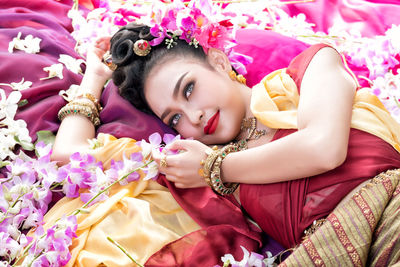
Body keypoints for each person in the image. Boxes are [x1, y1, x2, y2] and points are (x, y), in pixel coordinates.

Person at [49, 20, 400, 266]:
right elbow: (70, 154)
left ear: (218, 62)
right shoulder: (203, 169)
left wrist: (216, 169)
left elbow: (324, 148)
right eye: (174, 118)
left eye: (189, 89)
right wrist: (93, 77)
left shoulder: (306, 74)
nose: (193, 117)